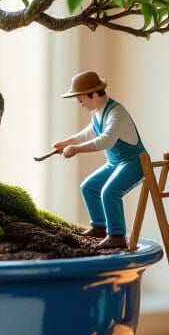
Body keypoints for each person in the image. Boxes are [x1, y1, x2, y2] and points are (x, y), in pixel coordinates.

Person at [51, 71, 148, 250]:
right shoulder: (98, 112)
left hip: (133, 162)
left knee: (110, 192)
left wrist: (76, 149)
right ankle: (99, 226)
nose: (80, 104)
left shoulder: (116, 113)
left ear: (94, 95)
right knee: (89, 187)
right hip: (115, 163)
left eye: (81, 100)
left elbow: (106, 140)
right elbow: (90, 132)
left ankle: (117, 235)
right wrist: (67, 142)